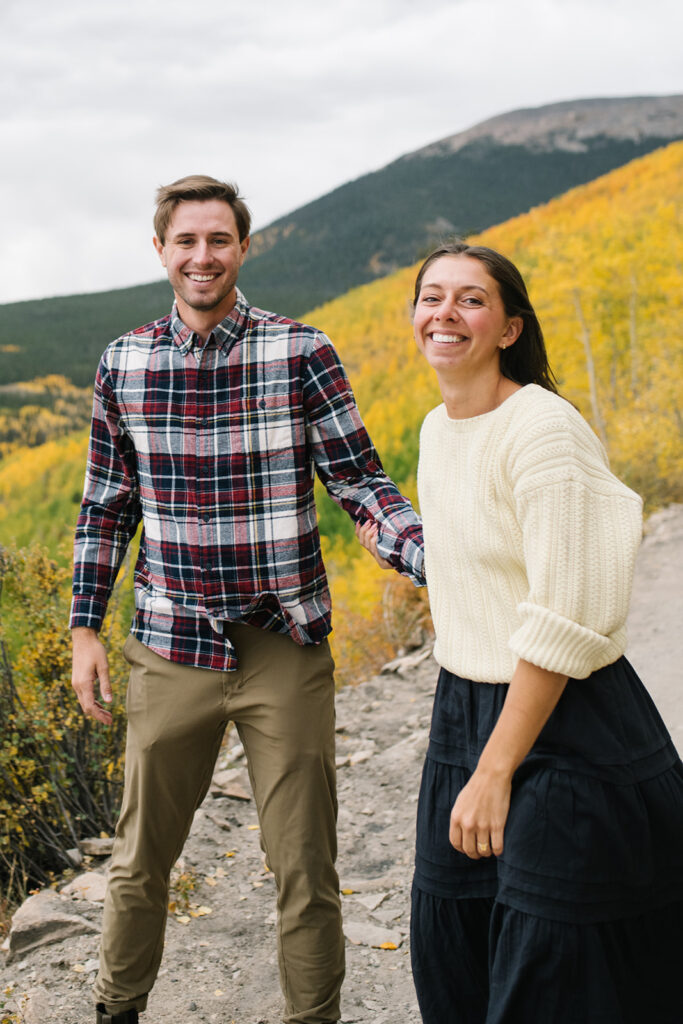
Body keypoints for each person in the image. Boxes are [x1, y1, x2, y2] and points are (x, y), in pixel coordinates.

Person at [70, 174, 424, 1024]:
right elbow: (105, 508)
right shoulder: (125, 362)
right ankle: (117, 1011)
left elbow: (360, 483)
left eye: (218, 240)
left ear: (243, 247)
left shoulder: (300, 351)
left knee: (304, 865)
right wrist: (85, 628)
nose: (202, 256)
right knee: (139, 861)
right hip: (169, 647)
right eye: (185, 241)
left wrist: (426, 553)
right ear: (160, 250)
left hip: (283, 647)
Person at [357, 241, 683, 1023]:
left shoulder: (542, 430)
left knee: (556, 971)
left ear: (508, 328)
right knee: (456, 955)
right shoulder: (439, 429)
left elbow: (562, 614)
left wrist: (495, 770)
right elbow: (473, 563)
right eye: (430, 296)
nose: (444, 312)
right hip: (460, 713)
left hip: (567, 728)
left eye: (470, 298)